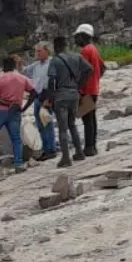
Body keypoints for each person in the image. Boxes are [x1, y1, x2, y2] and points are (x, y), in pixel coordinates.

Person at [46, 33, 91, 168]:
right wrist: (79, 85)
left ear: (55, 47)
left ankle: (66, 158)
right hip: (74, 94)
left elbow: (51, 80)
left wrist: (50, 97)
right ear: (66, 45)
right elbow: (89, 69)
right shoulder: (77, 56)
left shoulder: (55, 60)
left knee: (62, 128)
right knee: (72, 124)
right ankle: (79, 152)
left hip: (61, 96)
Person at [75, 23, 105, 157]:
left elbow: (84, 70)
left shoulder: (85, 51)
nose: (75, 40)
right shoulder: (94, 49)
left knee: (87, 120)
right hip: (93, 89)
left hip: (85, 90)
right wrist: (96, 79)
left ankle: (89, 148)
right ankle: (92, 146)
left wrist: (78, 87)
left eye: (77, 37)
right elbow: (102, 67)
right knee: (91, 118)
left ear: (82, 36)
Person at [24, 43, 57, 160]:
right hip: (37, 96)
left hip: (48, 96)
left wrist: (50, 98)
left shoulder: (52, 63)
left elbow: (54, 81)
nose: (37, 53)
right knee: (40, 124)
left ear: (47, 51)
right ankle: (46, 149)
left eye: (40, 51)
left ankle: (51, 149)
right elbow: (23, 72)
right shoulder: (35, 65)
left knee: (47, 122)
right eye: (36, 51)